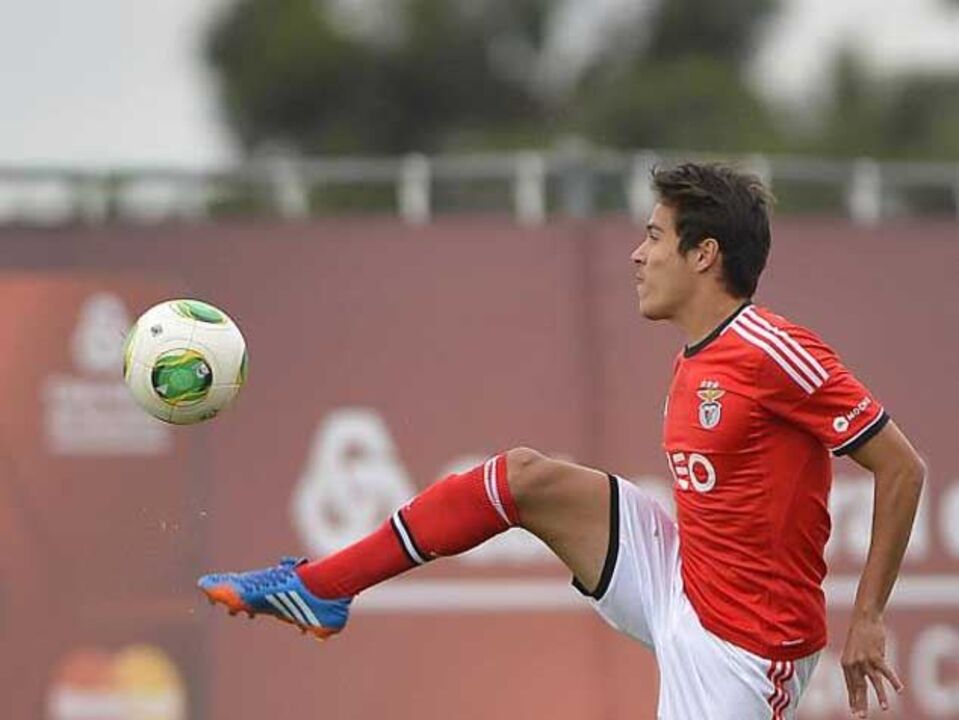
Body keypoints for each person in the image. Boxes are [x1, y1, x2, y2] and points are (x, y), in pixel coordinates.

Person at [198, 163, 924, 720]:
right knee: (523, 479)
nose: (637, 256)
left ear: (703, 255)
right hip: (682, 580)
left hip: (744, 649)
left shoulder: (773, 349)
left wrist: (865, 619)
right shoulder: (697, 354)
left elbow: (900, 468)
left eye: (651, 236)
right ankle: (321, 589)